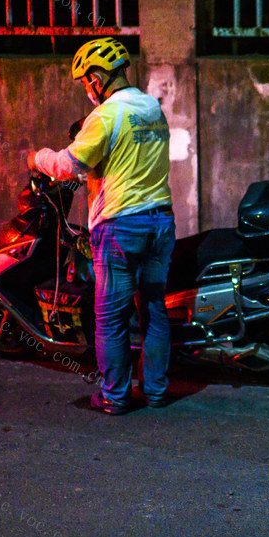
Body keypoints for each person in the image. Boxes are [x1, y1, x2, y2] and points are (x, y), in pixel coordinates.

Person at [27, 37, 174, 415]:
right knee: (154, 310)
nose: (86, 90)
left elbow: (66, 166)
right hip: (161, 222)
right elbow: (127, 156)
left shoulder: (107, 115)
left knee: (111, 318)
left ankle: (115, 396)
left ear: (96, 78)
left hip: (121, 227)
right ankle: (156, 392)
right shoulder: (151, 108)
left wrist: (36, 158)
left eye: (85, 82)